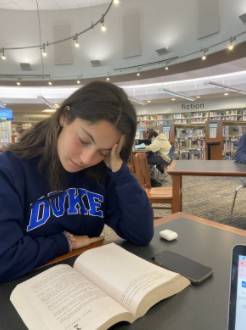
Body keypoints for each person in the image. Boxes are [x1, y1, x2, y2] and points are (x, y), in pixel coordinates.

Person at [0, 81, 154, 283]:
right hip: (23, 288)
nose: (87, 159)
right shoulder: (10, 170)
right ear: (64, 117)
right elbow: (4, 260)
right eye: (83, 140)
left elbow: (141, 234)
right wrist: (65, 242)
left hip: (85, 281)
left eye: (103, 151)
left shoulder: (102, 171)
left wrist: (120, 172)